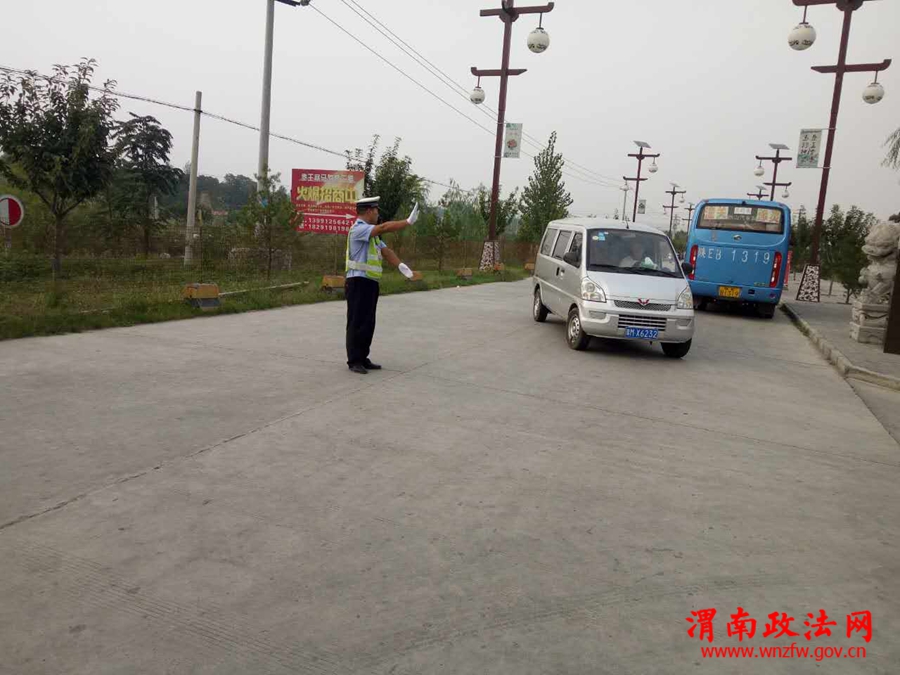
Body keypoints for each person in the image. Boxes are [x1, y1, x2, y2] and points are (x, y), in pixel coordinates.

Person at [344, 196, 418, 375]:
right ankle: (354, 360)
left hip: (370, 282)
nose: (378, 214)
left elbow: (386, 251)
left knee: (368, 322)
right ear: (369, 211)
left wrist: (401, 266)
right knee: (357, 322)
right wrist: (407, 222)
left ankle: (363, 357)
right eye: (376, 210)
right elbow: (384, 227)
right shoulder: (358, 229)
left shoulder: (373, 236)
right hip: (358, 282)